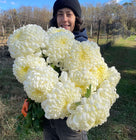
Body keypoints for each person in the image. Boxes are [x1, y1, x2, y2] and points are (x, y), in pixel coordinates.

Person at [22, 0, 88, 139]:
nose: (64, 19)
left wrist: (83, 114)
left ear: (76, 18)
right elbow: (37, 71)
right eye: (60, 14)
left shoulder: (83, 46)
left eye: (69, 14)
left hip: (70, 121)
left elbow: (91, 86)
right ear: (55, 17)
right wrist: (29, 98)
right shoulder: (47, 43)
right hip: (48, 115)